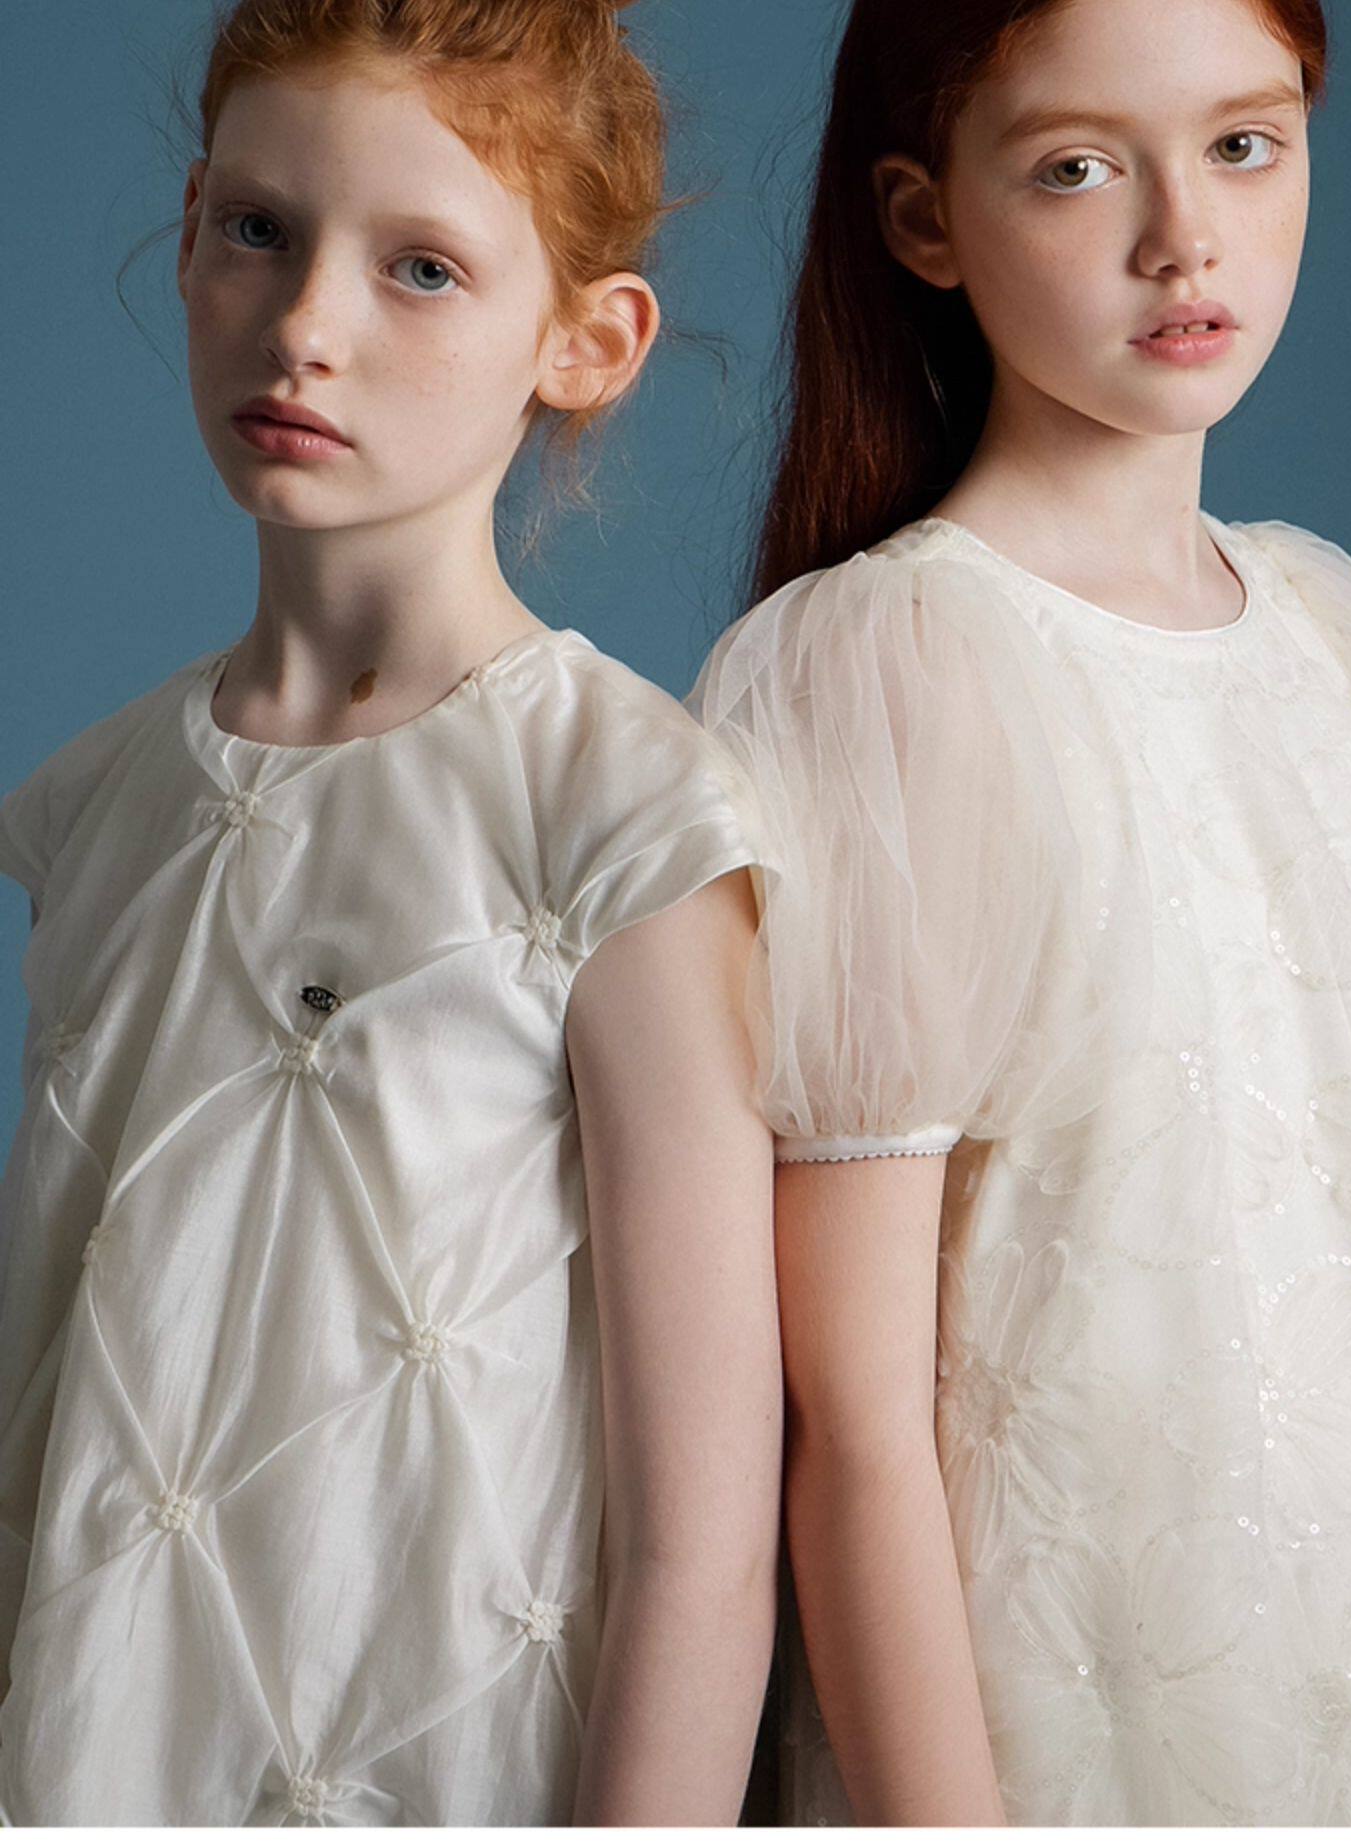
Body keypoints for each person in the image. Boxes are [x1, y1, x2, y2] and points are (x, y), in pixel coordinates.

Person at [689, 0, 1351, 1823]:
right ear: (925, 219)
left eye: (1245, 145)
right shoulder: (895, 664)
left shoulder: (1337, 643)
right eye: (1075, 169)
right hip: (1069, 1739)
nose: (1184, 239)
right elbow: (853, 1419)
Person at [0, 0, 781, 1824]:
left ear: (585, 342)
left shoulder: (622, 816)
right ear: (189, 232)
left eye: (421, 268)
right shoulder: (98, 807)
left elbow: (703, 1546)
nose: (305, 326)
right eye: (260, 230)